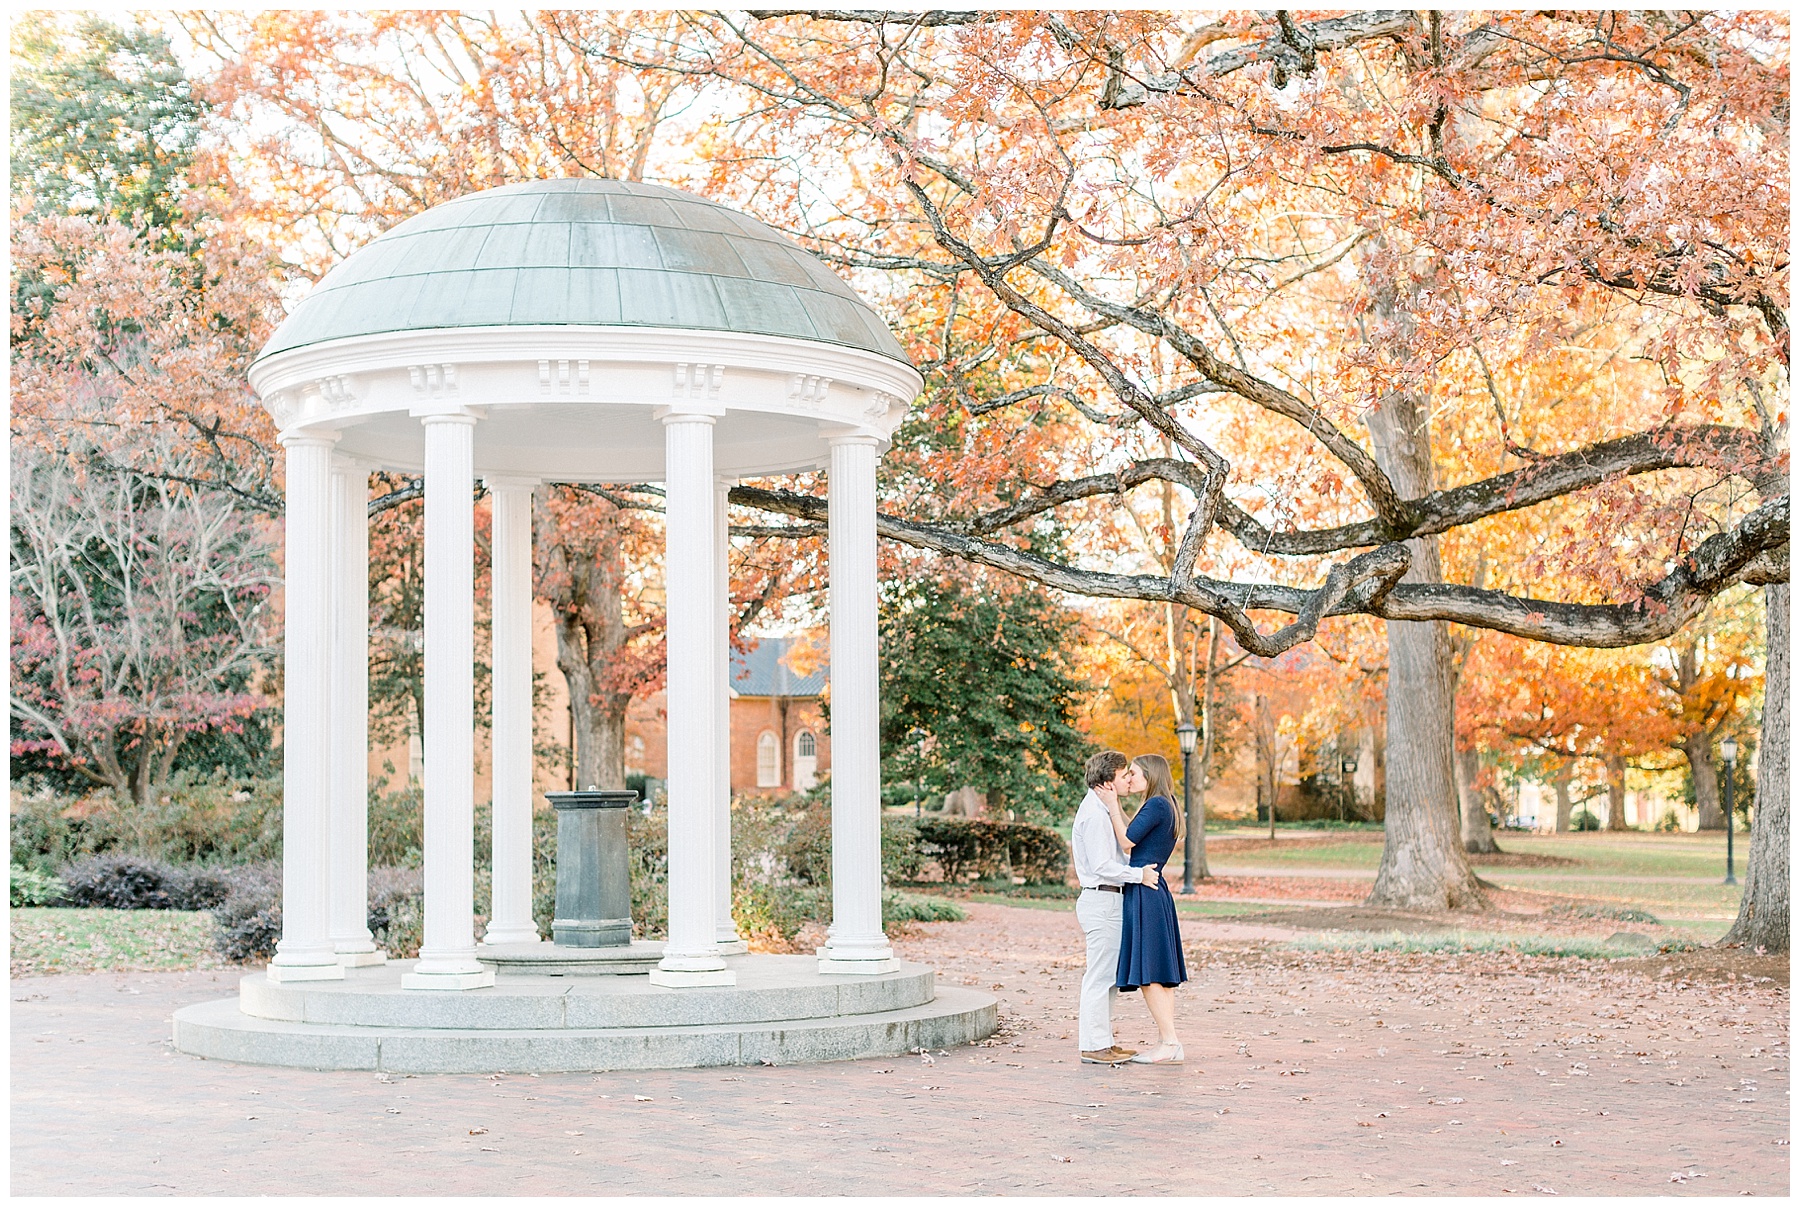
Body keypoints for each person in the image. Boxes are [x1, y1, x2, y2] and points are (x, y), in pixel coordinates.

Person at [1071, 750, 1161, 1065]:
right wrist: (1140, 875)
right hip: (1102, 898)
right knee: (1099, 976)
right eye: (1124, 775)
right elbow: (1103, 865)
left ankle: (1103, 1042)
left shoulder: (1101, 809)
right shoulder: (1094, 814)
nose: (1128, 780)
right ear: (1108, 780)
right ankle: (1093, 1046)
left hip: (1109, 899)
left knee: (1108, 976)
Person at [1105, 753, 1188, 1064]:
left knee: (1150, 973)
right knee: (1160, 973)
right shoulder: (1165, 803)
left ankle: (1169, 1041)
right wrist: (1120, 810)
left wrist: (1112, 804)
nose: (1129, 779)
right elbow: (1134, 833)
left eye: (1134, 773)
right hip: (1154, 889)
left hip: (1145, 890)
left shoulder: (1155, 805)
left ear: (1150, 775)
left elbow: (1127, 841)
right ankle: (1170, 1042)